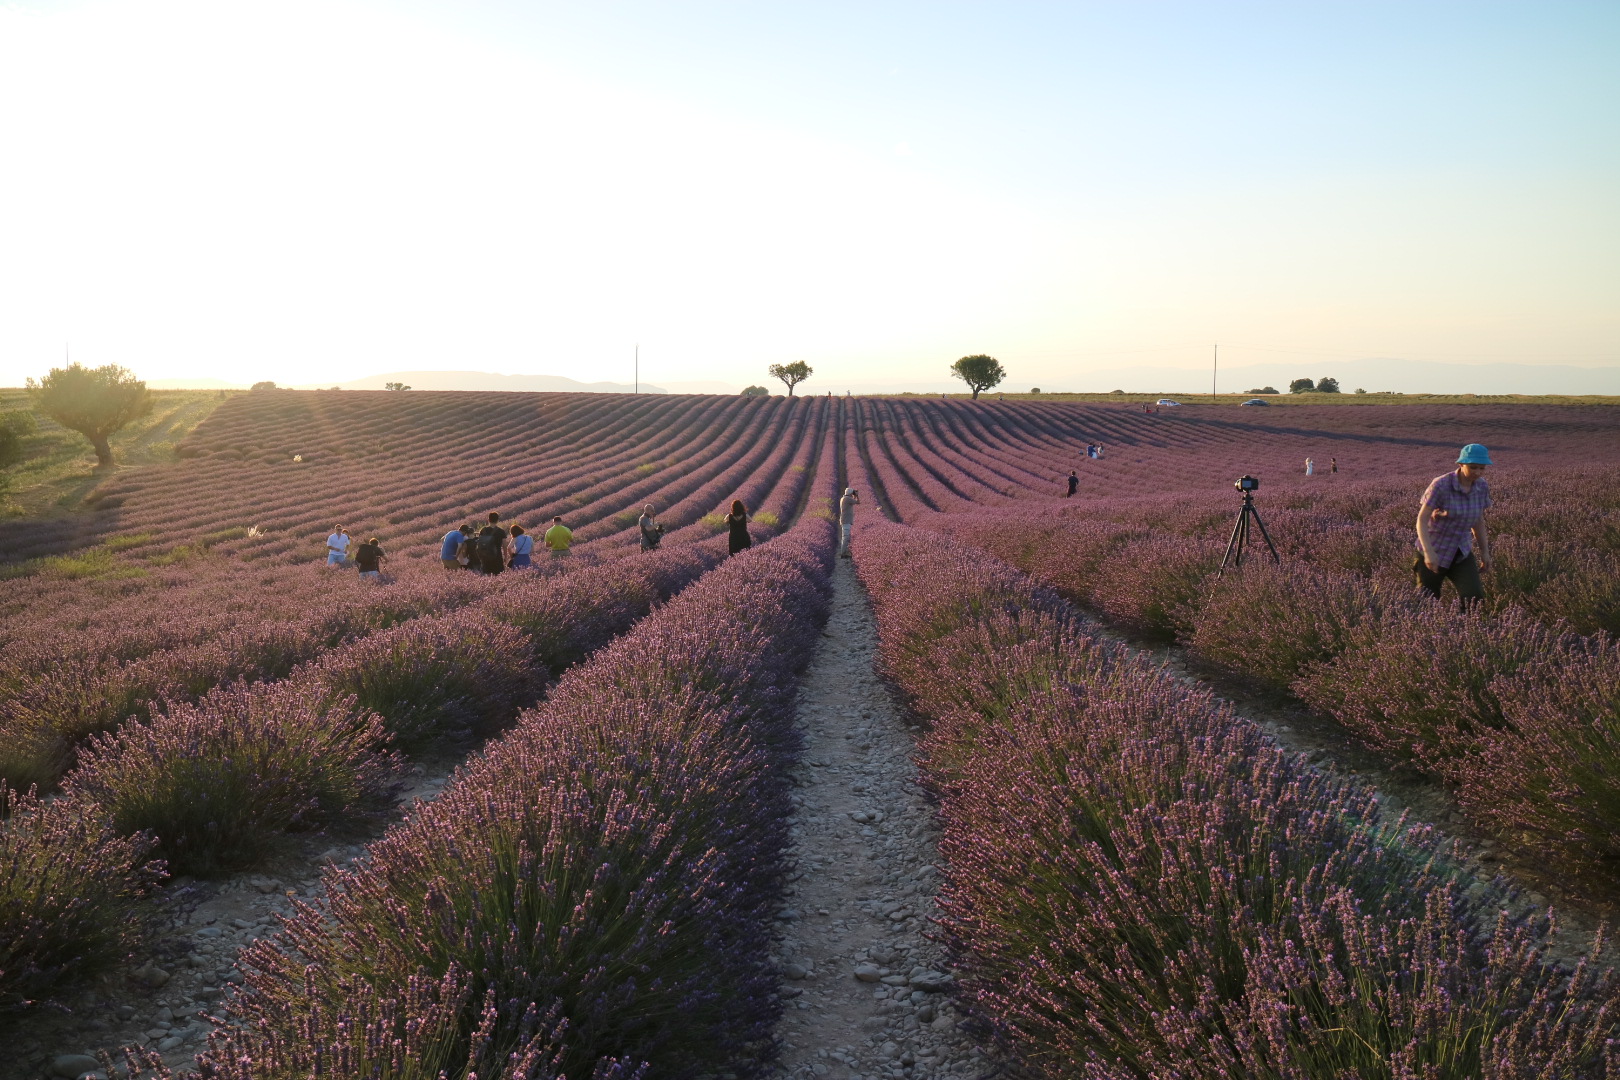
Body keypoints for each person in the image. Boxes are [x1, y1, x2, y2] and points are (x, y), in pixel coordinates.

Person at [1414, 444, 1493, 605]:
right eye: (1473, 467)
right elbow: (1421, 520)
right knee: (1427, 600)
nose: (1477, 472)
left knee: (1474, 597)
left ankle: (1465, 627)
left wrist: (1485, 552)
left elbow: (1478, 521)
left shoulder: (1481, 486)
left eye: (1481, 468)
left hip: (1461, 550)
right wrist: (1428, 553)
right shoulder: (1441, 485)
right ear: (1461, 464)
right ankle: (1429, 629)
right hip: (1435, 548)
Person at [838, 488, 859, 557]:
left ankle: (844, 552)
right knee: (845, 537)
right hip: (846, 521)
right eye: (852, 493)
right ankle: (843, 554)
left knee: (845, 537)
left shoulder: (844, 498)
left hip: (845, 520)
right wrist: (857, 495)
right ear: (850, 493)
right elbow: (858, 502)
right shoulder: (847, 499)